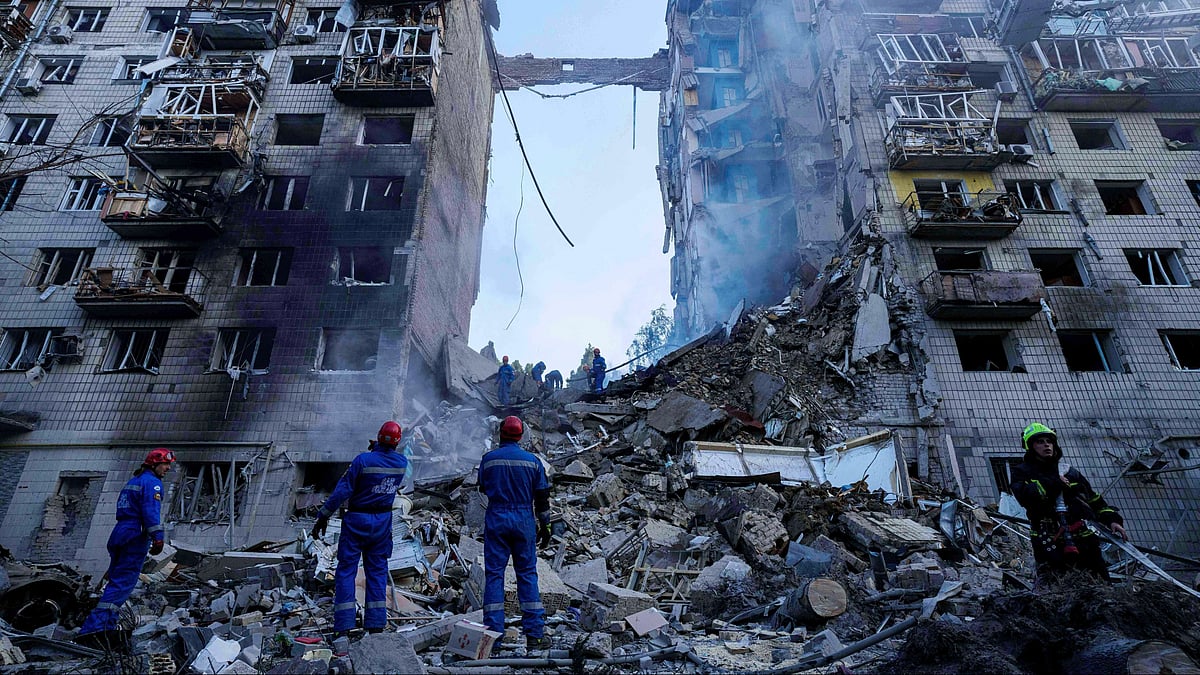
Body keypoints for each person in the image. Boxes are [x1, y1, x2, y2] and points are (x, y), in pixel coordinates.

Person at [311, 421, 409, 637]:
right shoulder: (401, 463)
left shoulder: (363, 460)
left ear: (378, 437)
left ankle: (344, 625)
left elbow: (342, 490)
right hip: (383, 522)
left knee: (346, 571)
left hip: (357, 520)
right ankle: (375, 624)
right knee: (377, 571)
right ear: (398, 441)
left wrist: (323, 515)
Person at [1011, 422, 1127, 581]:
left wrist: (1112, 520)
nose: (1046, 445)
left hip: (1082, 539)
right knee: (1057, 587)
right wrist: (1054, 483)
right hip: (1048, 540)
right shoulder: (1022, 472)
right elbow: (1026, 496)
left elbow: (1094, 499)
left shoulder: (1068, 471)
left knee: (1099, 583)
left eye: (1049, 441)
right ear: (1031, 447)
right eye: (1040, 442)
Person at [78, 448, 175, 639]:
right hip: (134, 535)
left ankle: (106, 626)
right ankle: (94, 630)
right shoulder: (153, 483)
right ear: (154, 464)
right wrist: (158, 536)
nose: (167, 469)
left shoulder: (134, 481)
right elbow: (150, 511)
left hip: (120, 533)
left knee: (116, 581)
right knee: (122, 584)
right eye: (165, 464)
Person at [479, 416, 552, 651]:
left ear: (501, 433)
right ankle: (535, 636)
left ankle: (493, 638)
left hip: (497, 518)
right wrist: (546, 526)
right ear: (521, 436)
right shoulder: (533, 462)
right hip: (523, 520)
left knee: (494, 576)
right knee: (527, 575)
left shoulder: (489, 460)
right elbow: (542, 499)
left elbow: (482, 487)